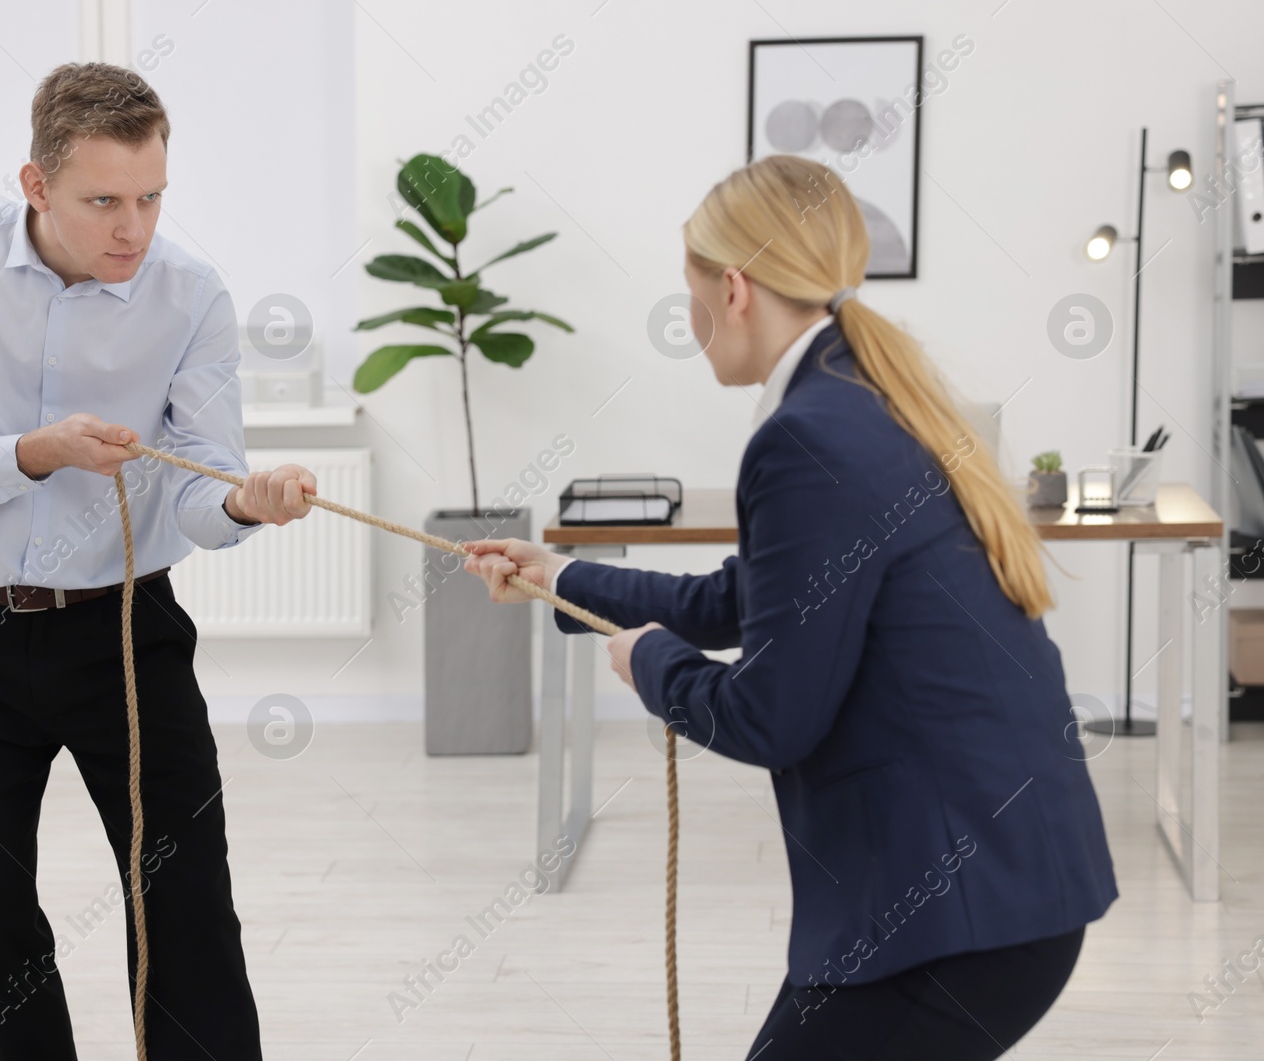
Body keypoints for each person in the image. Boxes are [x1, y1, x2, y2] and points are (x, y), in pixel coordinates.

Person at [460, 155, 1117, 1060]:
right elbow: (749, 596)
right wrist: (560, 576)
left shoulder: (806, 436)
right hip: (1001, 880)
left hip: (959, 907)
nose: (692, 322)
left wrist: (651, 663)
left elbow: (771, 717)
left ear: (732, 289)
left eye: (690, 294)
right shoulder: (866, 394)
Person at [0, 62, 315, 1060]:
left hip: (126, 634)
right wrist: (35, 452)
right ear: (35, 185)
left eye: (153, 196)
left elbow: (204, 485)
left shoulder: (193, 297)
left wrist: (243, 500)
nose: (135, 228)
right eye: (105, 201)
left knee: (186, 902)